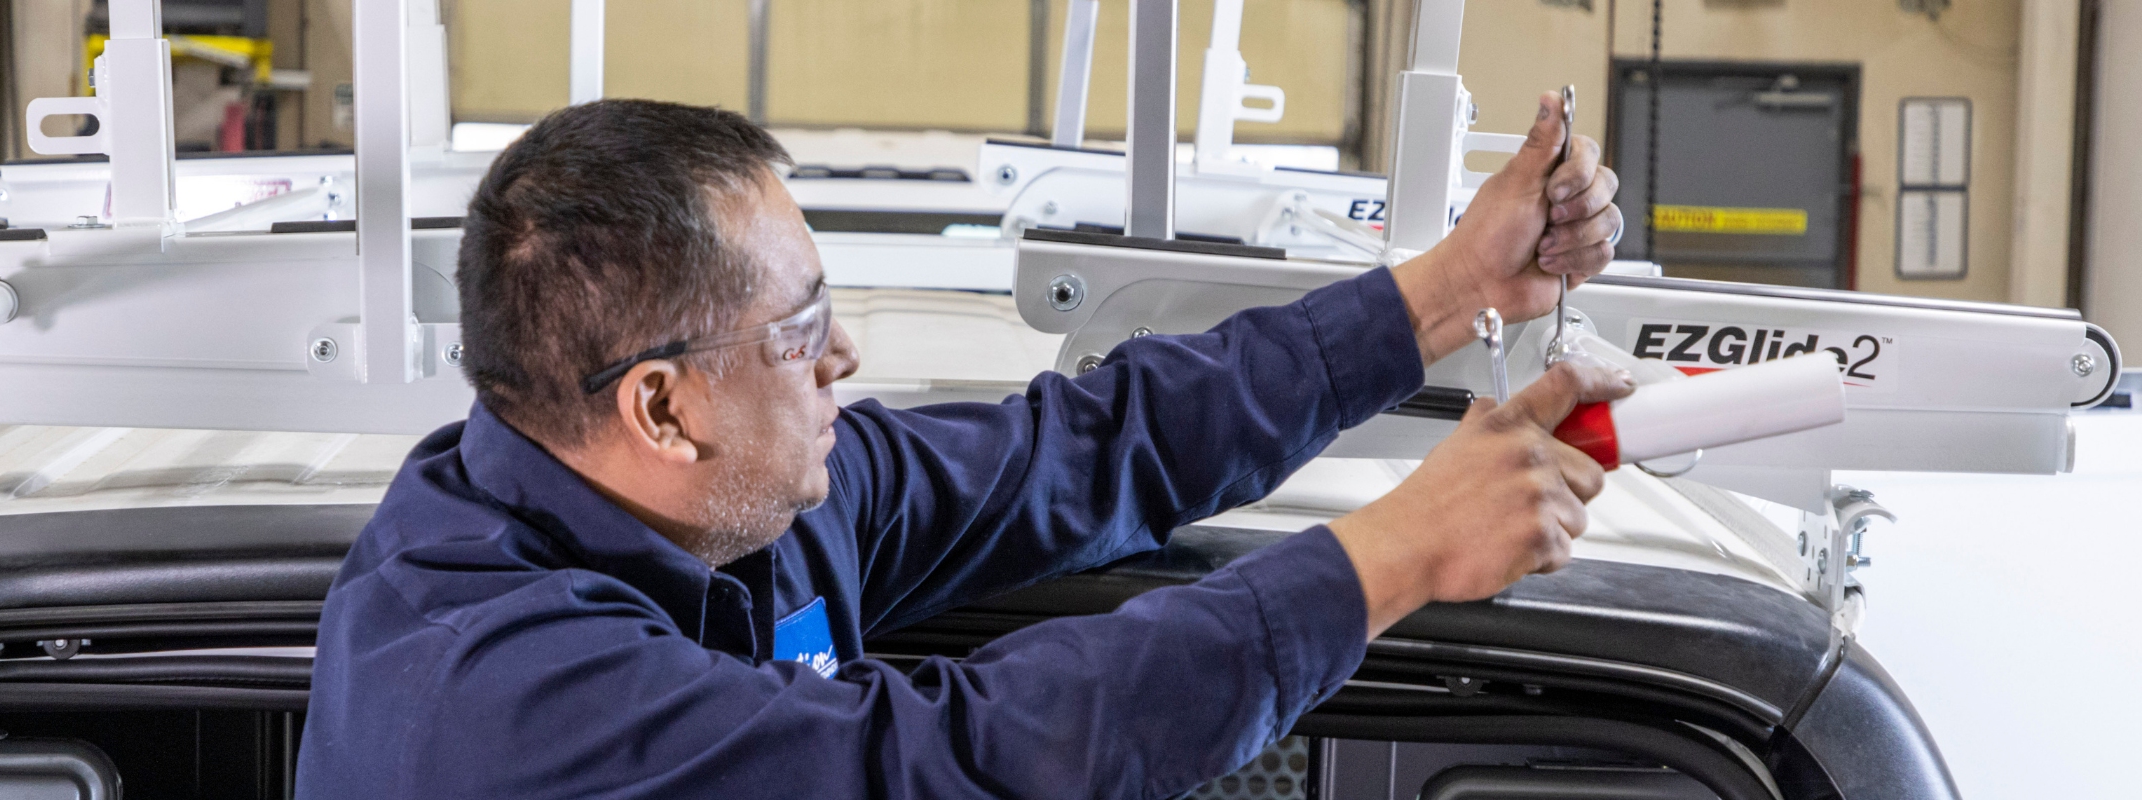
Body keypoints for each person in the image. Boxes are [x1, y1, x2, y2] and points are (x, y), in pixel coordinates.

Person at [297, 95, 1628, 799]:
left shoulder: (749, 502)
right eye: (802, 327)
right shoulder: (495, 703)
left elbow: (1091, 448)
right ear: (662, 407)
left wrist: (1444, 293)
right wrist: (1390, 556)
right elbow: (949, 764)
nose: (845, 360)